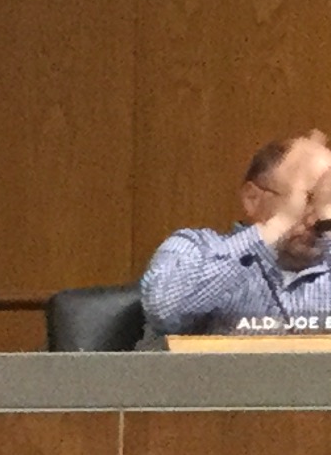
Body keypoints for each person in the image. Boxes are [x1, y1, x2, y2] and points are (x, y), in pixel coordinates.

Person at [138, 131, 331, 334]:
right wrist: (280, 224)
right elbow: (164, 311)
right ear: (252, 198)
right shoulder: (196, 249)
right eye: (309, 199)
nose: (315, 217)